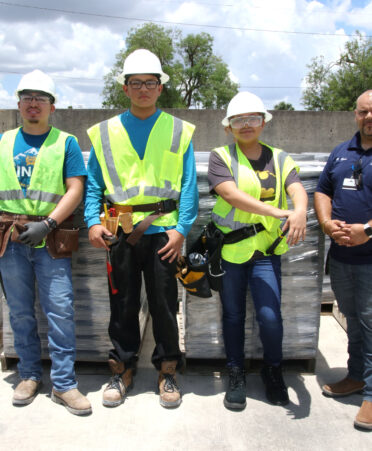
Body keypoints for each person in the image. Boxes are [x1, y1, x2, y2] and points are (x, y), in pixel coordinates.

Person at [84, 49, 198, 408]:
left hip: (164, 231)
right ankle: (122, 369)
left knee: (165, 306)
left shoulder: (179, 130)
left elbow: (191, 185)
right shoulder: (104, 133)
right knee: (123, 304)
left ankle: (167, 371)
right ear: (125, 88)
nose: (144, 89)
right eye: (136, 83)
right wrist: (90, 221)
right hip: (119, 229)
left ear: (160, 88)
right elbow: (93, 185)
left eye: (151, 82)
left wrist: (181, 230)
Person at [207, 91, 307, 410]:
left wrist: (301, 210)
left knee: (269, 317)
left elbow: (296, 189)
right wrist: (279, 213)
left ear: (263, 122)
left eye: (253, 119)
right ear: (229, 127)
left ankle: (272, 370)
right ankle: (236, 373)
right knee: (234, 315)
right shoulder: (221, 157)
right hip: (232, 251)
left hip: (266, 250)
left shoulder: (279, 158)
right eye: (239, 120)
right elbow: (231, 195)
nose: (246, 125)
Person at [0, 70, 91, 415]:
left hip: (51, 240)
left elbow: (75, 189)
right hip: (10, 239)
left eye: (41, 98)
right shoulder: (4, 142)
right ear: (19, 103)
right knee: (21, 311)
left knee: (60, 310)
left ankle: (64, 384)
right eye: (27, 97)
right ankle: (28, 375)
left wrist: (48, 223)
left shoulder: (64, 142)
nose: (33, 103)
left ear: (53, 106)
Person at [314, 90, 372, 430]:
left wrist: (367, 229)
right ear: (355, 115)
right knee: (352, 317)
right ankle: (356, 376)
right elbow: (323, 190)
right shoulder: (341, 153)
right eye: (363, 112)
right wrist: (325, 223)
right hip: (341, 257)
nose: (369, 118)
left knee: (370, 321)